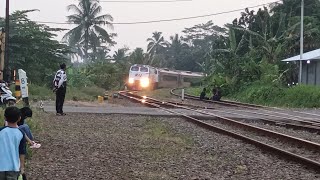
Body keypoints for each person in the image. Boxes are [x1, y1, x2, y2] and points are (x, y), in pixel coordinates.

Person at [0, 107, 26, 179]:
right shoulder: (21, 133)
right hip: (14, 167)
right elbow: (22, 152)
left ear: (5, 118)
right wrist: (22, 166)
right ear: (19, 118)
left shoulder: (1, 131)